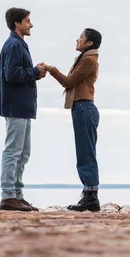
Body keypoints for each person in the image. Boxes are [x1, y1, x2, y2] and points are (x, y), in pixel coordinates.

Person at [0, 8, 46, 212]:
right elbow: (12, 74)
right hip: (16, 106)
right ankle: (8, 196)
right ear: (17, 23)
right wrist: (35, 72)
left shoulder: (18, 44)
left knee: (23, 153)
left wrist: (35, 72)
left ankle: (17, 195)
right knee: (13, 151)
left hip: (22, 107)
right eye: (28, 21)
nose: (31, 25)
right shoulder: (14, 44)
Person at [43, 28, 102, 212]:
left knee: (86, 153)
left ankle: (91, 196)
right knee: (84, 152)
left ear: (89, 43)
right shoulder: (86, 59)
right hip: (81, 108)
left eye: (81, 37)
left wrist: (52, 70)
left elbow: (69, 82)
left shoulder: (88, 60)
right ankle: (88, 194)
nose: (77, 39)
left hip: (84, 108)